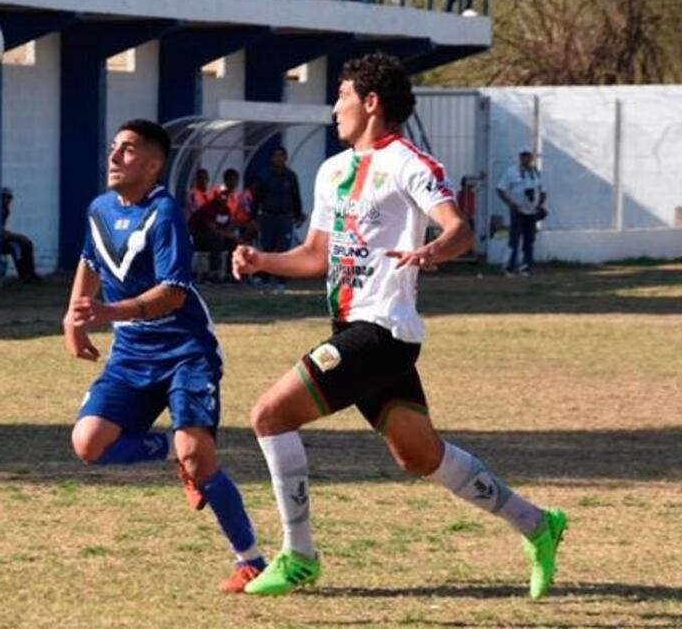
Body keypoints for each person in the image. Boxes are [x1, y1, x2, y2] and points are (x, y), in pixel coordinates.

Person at [232, 53, 566, 598]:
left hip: (382, 331)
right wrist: (262, 260)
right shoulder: (331, 170)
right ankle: (538, 523)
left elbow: (461, 231)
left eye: (340, 95)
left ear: (370, 102)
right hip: (351, 330)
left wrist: (434, 249)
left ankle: (299, 556)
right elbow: (316, 256)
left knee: (269, 416)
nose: (333, 106)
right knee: (419, 456)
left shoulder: (410, 162)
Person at [63, 119, 266, 593]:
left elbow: (174, 293)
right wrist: (72, 320)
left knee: (199, 454)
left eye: (128, 150)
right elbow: (90, 261)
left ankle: (250, 560)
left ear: (153, 165)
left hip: (185, 350)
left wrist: (109, 310)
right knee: (89, 444)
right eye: (114, 147)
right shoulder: (99, 209)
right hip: (132, 352)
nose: (115, 157)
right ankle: (173, 453)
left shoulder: (165, 214)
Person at [252, 146, 305, 292]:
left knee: (283, 250)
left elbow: (296, 197)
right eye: (276, 155)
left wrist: (298, 214)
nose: (278, 158)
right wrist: (254, 217)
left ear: (285, 158)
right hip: (268, 217)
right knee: (267, 249)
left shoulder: (291, 176)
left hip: (285, 218)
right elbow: (256, 199)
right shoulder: (263, 175)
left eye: (281, 155)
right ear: (271, 158)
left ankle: (281, 282)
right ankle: (265, 280)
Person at [496, 148, 547, 277]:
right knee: (514, 239)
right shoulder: (512, 171)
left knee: (529, 239)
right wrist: (510, 203)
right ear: (519, 157)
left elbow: (543, 190)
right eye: (523, 155)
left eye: (528, 156)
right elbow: (500, 189)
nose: (525, 158)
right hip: (517, 210)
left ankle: (525, 266)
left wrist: (540, 205)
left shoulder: (536, 173)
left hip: (532, 211)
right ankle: (508, 267)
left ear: (532, 157)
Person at [188, 180, 238, 282]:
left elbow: (228, 226)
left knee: (233, 243)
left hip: (216, 236)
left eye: (226, 195)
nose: (224, 198)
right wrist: (227, 234)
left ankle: (230, 273)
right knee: (216, 239)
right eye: (222, 195)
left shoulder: (225, 209)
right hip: (200, 237)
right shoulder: (209, 208)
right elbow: (212, 228)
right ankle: (213, 272)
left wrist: (233, 234)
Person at [0, 187, 41, 283]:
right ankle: (22, 275)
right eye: (4, 197)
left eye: (9, 198)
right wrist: (17, 236)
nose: (7, 200)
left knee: (27, 243)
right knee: (16, 246)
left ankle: (30, 273)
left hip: (2, 237)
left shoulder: (6, 210)